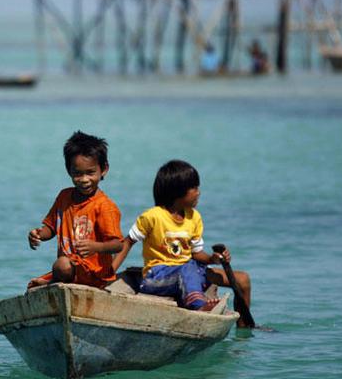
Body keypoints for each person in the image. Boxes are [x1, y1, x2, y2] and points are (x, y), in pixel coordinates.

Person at [112, 159, 253, 326]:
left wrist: (213, 259)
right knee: (187, 267)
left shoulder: (194, 217)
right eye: (194, 188)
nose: (199, 193)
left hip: (190, 270)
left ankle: (245, 327)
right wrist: (110, 273)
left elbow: (196, 254)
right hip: (157, 276)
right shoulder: (152, 216)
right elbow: (128, 242)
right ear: (177, 192)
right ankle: (199, 305)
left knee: (242, 280)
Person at [26, 131, 124, 290]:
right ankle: (55, 282)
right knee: (51, 273)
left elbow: (117, 245)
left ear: (104, 169)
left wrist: (96, 247)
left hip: (94, 274)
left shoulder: (105, 206)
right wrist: (38, 235)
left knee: (61, 265)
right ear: (68, 170)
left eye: (90, 173)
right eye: (78, 174)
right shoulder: (64, 197)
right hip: (70, 271)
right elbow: (51, 228)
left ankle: (52, 283)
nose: (84, 180)